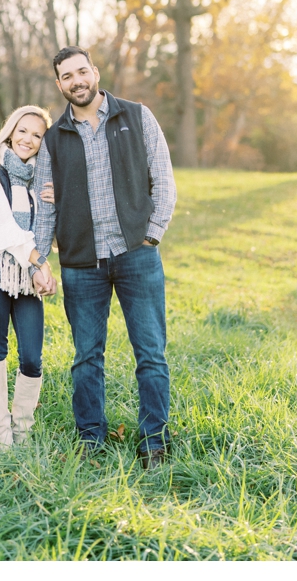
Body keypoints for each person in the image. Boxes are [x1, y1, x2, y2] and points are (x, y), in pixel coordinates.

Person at [32, 46, 177, 468]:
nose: (76, 81)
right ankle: (91, 442)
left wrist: (151, 236)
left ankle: (154, 442)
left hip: (137, 257)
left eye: (82, 71)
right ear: (59, 85)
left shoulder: (136, 116)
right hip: (82, 264)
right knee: (85, 359)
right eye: (67, 76)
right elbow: (46, 207)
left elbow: (163, 180)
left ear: (95, 72)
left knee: (150, 354)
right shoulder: (54, 139)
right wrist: (40, 259)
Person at [0, 105, 57, 450]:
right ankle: (2, 438)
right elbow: (5, 230)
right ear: (10, 132)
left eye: (37, 135)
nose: (28, 139)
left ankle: (23, 431)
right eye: (23, 131)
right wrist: (40, 265)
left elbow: (49, 235)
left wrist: (56, 203)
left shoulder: (40, 183)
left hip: (27, 279)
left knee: (32, 357)